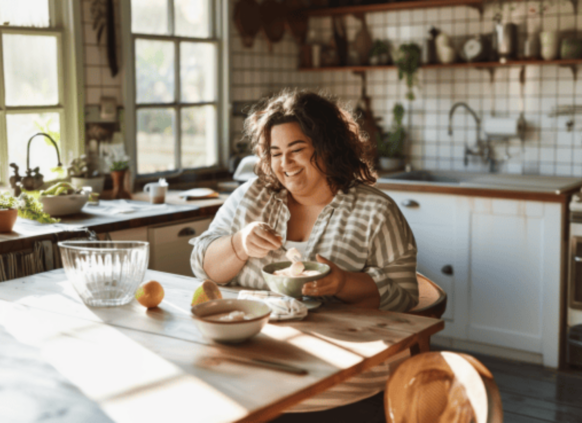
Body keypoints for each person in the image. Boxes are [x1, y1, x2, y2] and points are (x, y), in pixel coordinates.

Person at [190, 89, 419, 413]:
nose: (285, 164)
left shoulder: (375, 211)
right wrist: (239, 245)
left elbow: (406, 295)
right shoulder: (250, 198)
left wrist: (343, 283)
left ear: (327, 148)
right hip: (246, 370)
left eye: (297, 150)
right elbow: (202, 267)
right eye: (275, 152)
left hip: (342, 376)